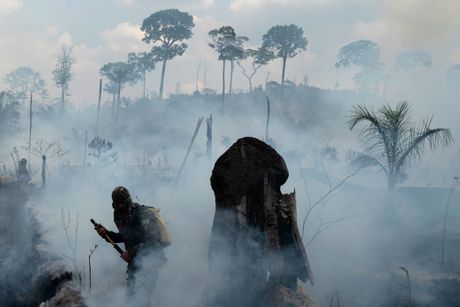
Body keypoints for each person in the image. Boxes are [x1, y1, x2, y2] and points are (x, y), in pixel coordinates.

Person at [94, 186, 170, 306]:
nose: (119, 207)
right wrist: (106, 234)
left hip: (150, 263)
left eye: (121, 203)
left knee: (142, 299)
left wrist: (131, 252)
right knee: (132, 299)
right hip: (135, 263)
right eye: (117, 204)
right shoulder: (121, 215)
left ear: (127, 201)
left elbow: (153, 242)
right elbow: (125, 237)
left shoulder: (142, 214)